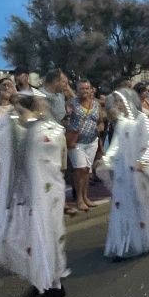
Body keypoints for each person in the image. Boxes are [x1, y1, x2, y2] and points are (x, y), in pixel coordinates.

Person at [0, 96, 68, 297]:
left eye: (21, 111)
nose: (18, 116)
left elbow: (48, 145)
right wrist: (11, 115)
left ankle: (55, 286)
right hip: (25, 196)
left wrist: (33, 118)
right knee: (27, 238)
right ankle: (39, 279)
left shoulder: (48, 130)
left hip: (47, 196)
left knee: (46, 237)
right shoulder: (22, 131)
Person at [100, 89, 149, 259]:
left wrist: (144, 160)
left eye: (121, 101)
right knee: (125, 205)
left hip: (141, 172)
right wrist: (106, 159)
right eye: (116, 102)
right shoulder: (121, 123)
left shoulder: (142, 120)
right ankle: (125, 243)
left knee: (144, 204)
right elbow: (116, 145)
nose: (118, 105)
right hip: (124, 174)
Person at [66, 79, 104, 211]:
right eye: (82, 88)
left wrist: (100, 127)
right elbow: (65, 118)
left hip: (92, 141)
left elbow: (100, 121)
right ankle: (79, 199)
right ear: (77, 90)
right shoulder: (72, 103)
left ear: (90, 89)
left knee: (87, 170)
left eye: (87, 88)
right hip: (76, 142)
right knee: (80, 169)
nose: (85, 91)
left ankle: (86, 196)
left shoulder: (96, 104)